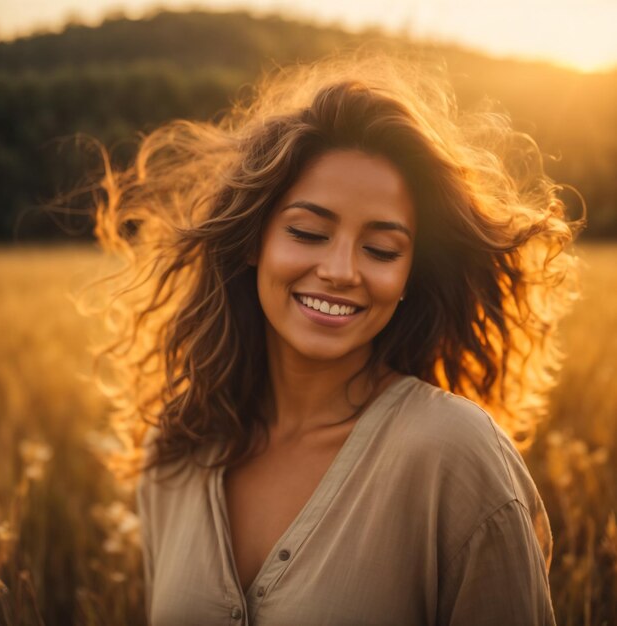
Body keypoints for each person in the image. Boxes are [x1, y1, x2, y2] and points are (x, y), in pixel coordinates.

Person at [90, 53, 581, 625]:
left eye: (381, 250)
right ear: (254, 241)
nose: (342, 270)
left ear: (408, 277)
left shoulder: (454, 456)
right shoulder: (175, 451)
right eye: (308, 232)